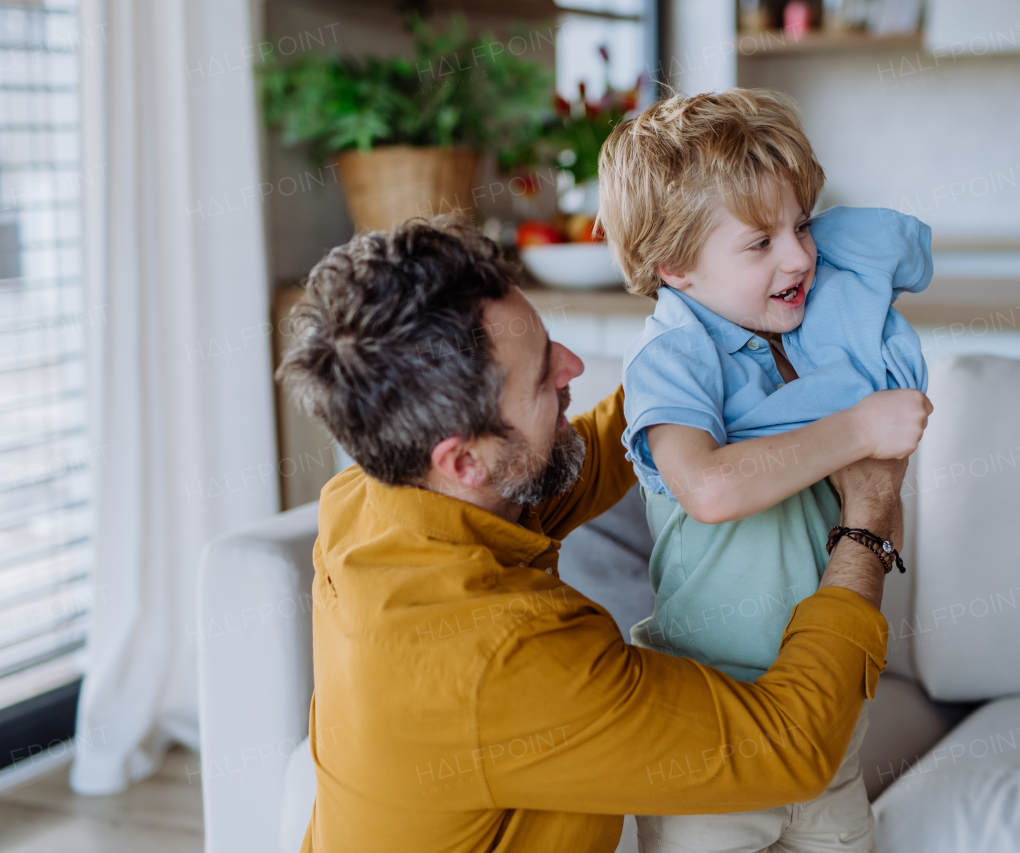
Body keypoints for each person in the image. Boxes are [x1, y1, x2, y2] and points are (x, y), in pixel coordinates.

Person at [275, 217, 919, 852]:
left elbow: (603, 451)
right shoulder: (506, 660)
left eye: (549, 340)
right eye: (540, 380)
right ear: (463, 460)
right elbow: (790, 750)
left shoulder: (371, 498)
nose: (575, 365)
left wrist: (711, 325)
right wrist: (867, 522)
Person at [595, 88, 932, 852]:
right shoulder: (673, 355)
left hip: (824, 705)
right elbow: (710, 487)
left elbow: (867, 512)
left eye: (802, 225)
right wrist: (858, 427)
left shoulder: (803, 339)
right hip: (711, 715)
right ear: (673, 265)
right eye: (760, 242)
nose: (800, 255)